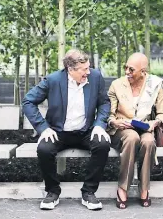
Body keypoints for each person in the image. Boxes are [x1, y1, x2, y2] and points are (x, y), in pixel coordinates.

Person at [22, 49, 111, 210]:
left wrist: (99, 125)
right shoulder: (53, 80)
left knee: (103, 144)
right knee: (44, 149)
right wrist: (43, 128)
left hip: (86, 131)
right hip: (58, 132)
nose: (88, 72)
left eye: (88, 67)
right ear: (70, 69)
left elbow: (104, 103)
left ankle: (89, 192)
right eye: (84, 69)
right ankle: (52, 192)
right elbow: (28, 101)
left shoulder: (96, 77)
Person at [106, 52, 163, 209]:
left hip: (144, 127)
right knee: (132, 137)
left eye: (131, 69)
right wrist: (115, 122)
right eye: (125, 67)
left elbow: (161, 113)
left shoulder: (155, 85)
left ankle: (144, 187)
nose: (127, 72)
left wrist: (156, 122)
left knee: (148, 141)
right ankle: (123, 187)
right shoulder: (116, 85)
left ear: (143, 71)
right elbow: (109, 115)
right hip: (122, 129)